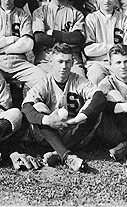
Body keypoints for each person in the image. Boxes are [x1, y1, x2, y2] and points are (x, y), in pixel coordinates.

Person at [21, 43, 107, 172]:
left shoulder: (78, 80)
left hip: (73, 132)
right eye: (60, 62)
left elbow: (99, 97)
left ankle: (58, 152)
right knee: (38, 106)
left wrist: (76, 120)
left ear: (72, 63)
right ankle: (67, 156)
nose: (64, 67)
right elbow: (26, 107)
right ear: (51, 62)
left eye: (68, 62)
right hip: (48, 134)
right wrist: (48, 120)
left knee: (94, 109)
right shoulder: (44, 82)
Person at [0, 0, 45, 92]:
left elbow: (28, 44)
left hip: (19, 62)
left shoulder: (23, 15)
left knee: (42, 79)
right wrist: (13, 39)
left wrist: (0, 49)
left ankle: (35, 106)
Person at [32, 0, 86, 77]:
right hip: (46, 57)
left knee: (80, 81)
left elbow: (78, 38)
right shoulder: (39, 12)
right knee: (39, 81)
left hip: (71, 57)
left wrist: (53, 33)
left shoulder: (76, 13)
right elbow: (39, 38)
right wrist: (66, 37)